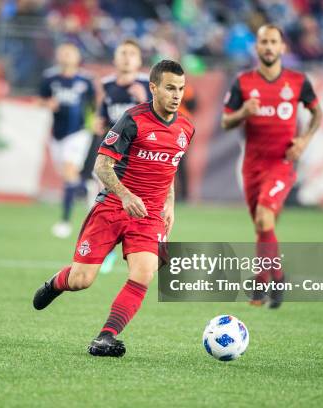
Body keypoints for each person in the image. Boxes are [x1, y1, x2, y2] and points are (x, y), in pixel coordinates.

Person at [33, 60, 194, 357]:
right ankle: (56, 284)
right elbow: (101, 167)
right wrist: (126, 195)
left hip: (149, 215)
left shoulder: (186, 127)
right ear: (154, 87)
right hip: (113, 207)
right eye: (170, 88)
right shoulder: (132, 120)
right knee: (82, 280)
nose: (177, 95)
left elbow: (169, 167)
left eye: (181, 89)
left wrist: (169, 204)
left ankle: (105, 337)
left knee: (144, 273)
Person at [221, 24, 323, 308]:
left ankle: (261, 280)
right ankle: (278, 277)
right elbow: (225, 121)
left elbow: (317, 113)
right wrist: (243, 111)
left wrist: (303, 140)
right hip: (252, 166)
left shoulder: (297, 81)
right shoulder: (242, 82)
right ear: (257, 47)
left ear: (282, 47)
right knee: (262, 226)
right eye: (263, 42)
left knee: (265, 218)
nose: (268, 46)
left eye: (273, 42)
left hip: (281, 163)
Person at [84, 38, 151, 273]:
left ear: (139, 59)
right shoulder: (107, 84)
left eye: (131, 53)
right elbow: (102, 115)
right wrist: (98, 122)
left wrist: (144, 99)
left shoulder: (148, 84)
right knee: (102, 200)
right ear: (115, 58)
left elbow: (157, 119)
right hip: (112, 155)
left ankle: (137, 249)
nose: (126, 57)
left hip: (139, 156)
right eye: (122, 52)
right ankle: (103, 249)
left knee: (137, 205)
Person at [39, 43, 96, 239]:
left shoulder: (85, 80)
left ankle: (65, 221)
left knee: (70, 169)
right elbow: (40, 99)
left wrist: (94, 123)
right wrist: (47, 103)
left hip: (78, 132)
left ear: (77, 56)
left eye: (69, 52)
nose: (65, 56)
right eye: (62, 52)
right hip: (57, 133)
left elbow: (94, 105)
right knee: (67, 175)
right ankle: (85, 186)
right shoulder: (50, 78)